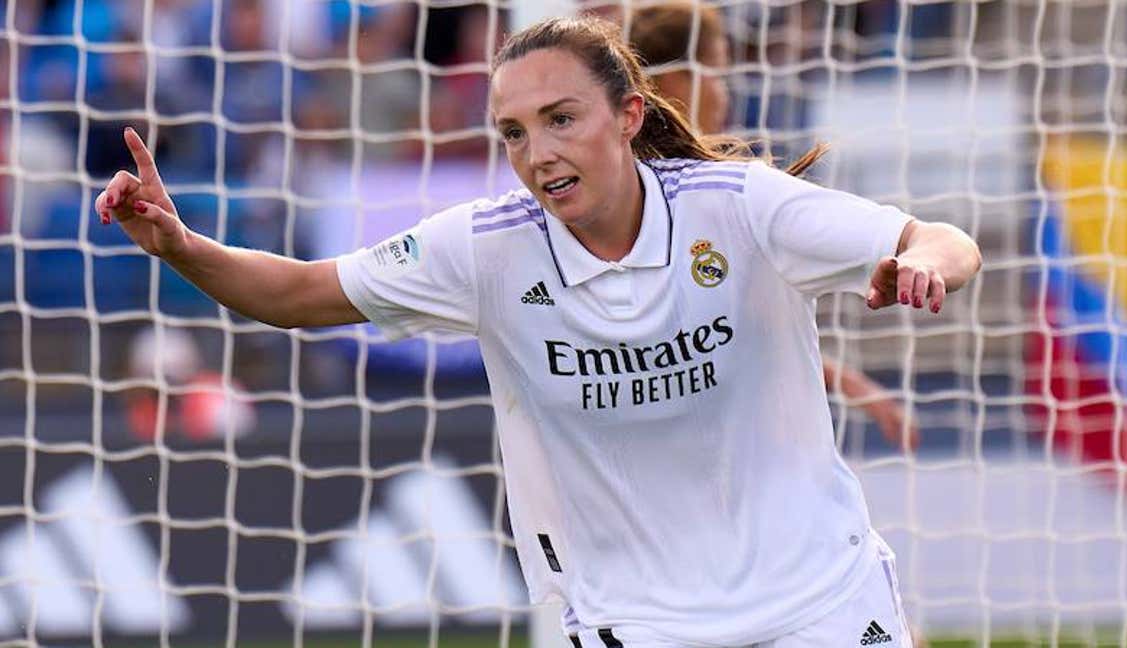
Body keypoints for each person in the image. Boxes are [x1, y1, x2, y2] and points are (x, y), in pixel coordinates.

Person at [96, 14, 980, 647]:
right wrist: (178, 244)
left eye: (561, 120)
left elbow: (940, 237)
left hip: (817, 602)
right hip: (633, 622)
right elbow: (297, 292)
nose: (537, 153)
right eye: (513, 133)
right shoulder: (485, 249)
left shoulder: (739, 206)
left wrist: (926, 265)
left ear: (630, 115)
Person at [627, 1, 917, 450]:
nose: (725, 93)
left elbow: (725, 334)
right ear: (672, 82)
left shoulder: (678, 188)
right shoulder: (690, 196)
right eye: (718, 74)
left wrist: (851, 384)